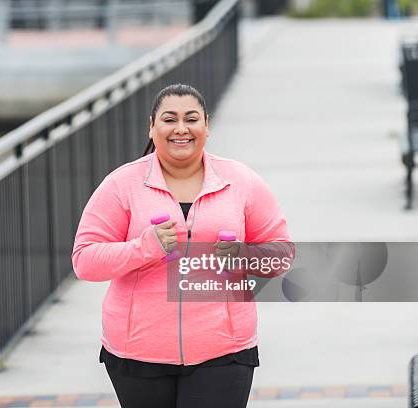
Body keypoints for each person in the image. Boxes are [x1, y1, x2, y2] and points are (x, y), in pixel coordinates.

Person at [72, 84, 291, 408]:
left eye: (191, 119)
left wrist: (245, 256)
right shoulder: (122, 184)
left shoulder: (240, 181)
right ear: (152, 126)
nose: (181, 129)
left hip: (224, 351)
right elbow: (85, 261)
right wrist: (144, 247)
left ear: (206, 125)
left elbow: (282, 254)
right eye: (169, 119)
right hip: (138, 352)